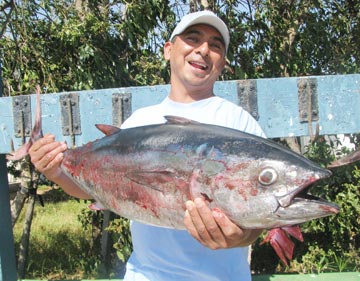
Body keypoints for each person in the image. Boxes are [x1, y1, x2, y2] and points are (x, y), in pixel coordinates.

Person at [29, 10, 266, 281]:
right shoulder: (140, 122)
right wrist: (55, 172)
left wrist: (242, 237)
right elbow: (92, 190)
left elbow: (260, 212)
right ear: (168, 50)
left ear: (222, 63)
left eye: (215, 45)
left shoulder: (239, 124)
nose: (203, 50)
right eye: (193, 38)